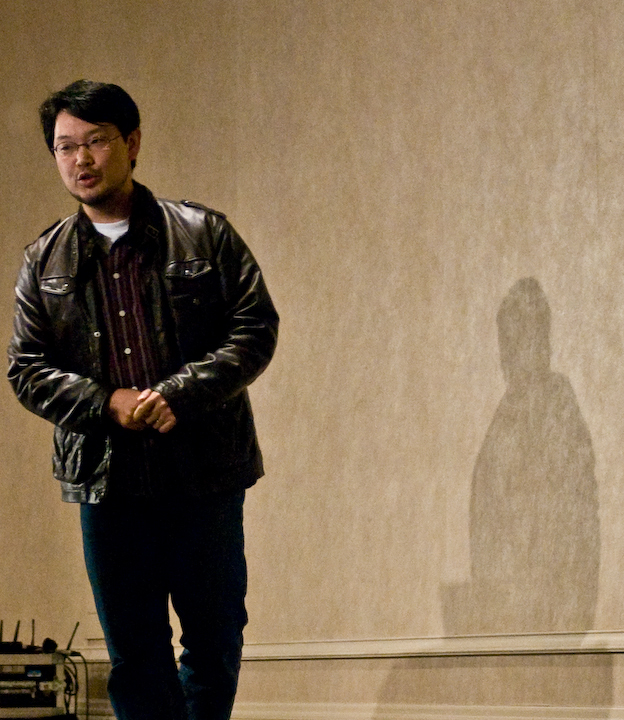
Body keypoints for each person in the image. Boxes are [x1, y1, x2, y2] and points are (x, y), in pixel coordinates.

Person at [7, 80, 279, 720]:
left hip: (205, 471)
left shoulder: (203, 233)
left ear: (131, 143)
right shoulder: (42, 260)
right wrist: (106, 402)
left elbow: (255, 328)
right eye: (64, 147)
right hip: (108, 484)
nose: (80, 160)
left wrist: (178, 393)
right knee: (134, 651)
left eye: (95, 141)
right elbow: (26, 369)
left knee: (214, 638)